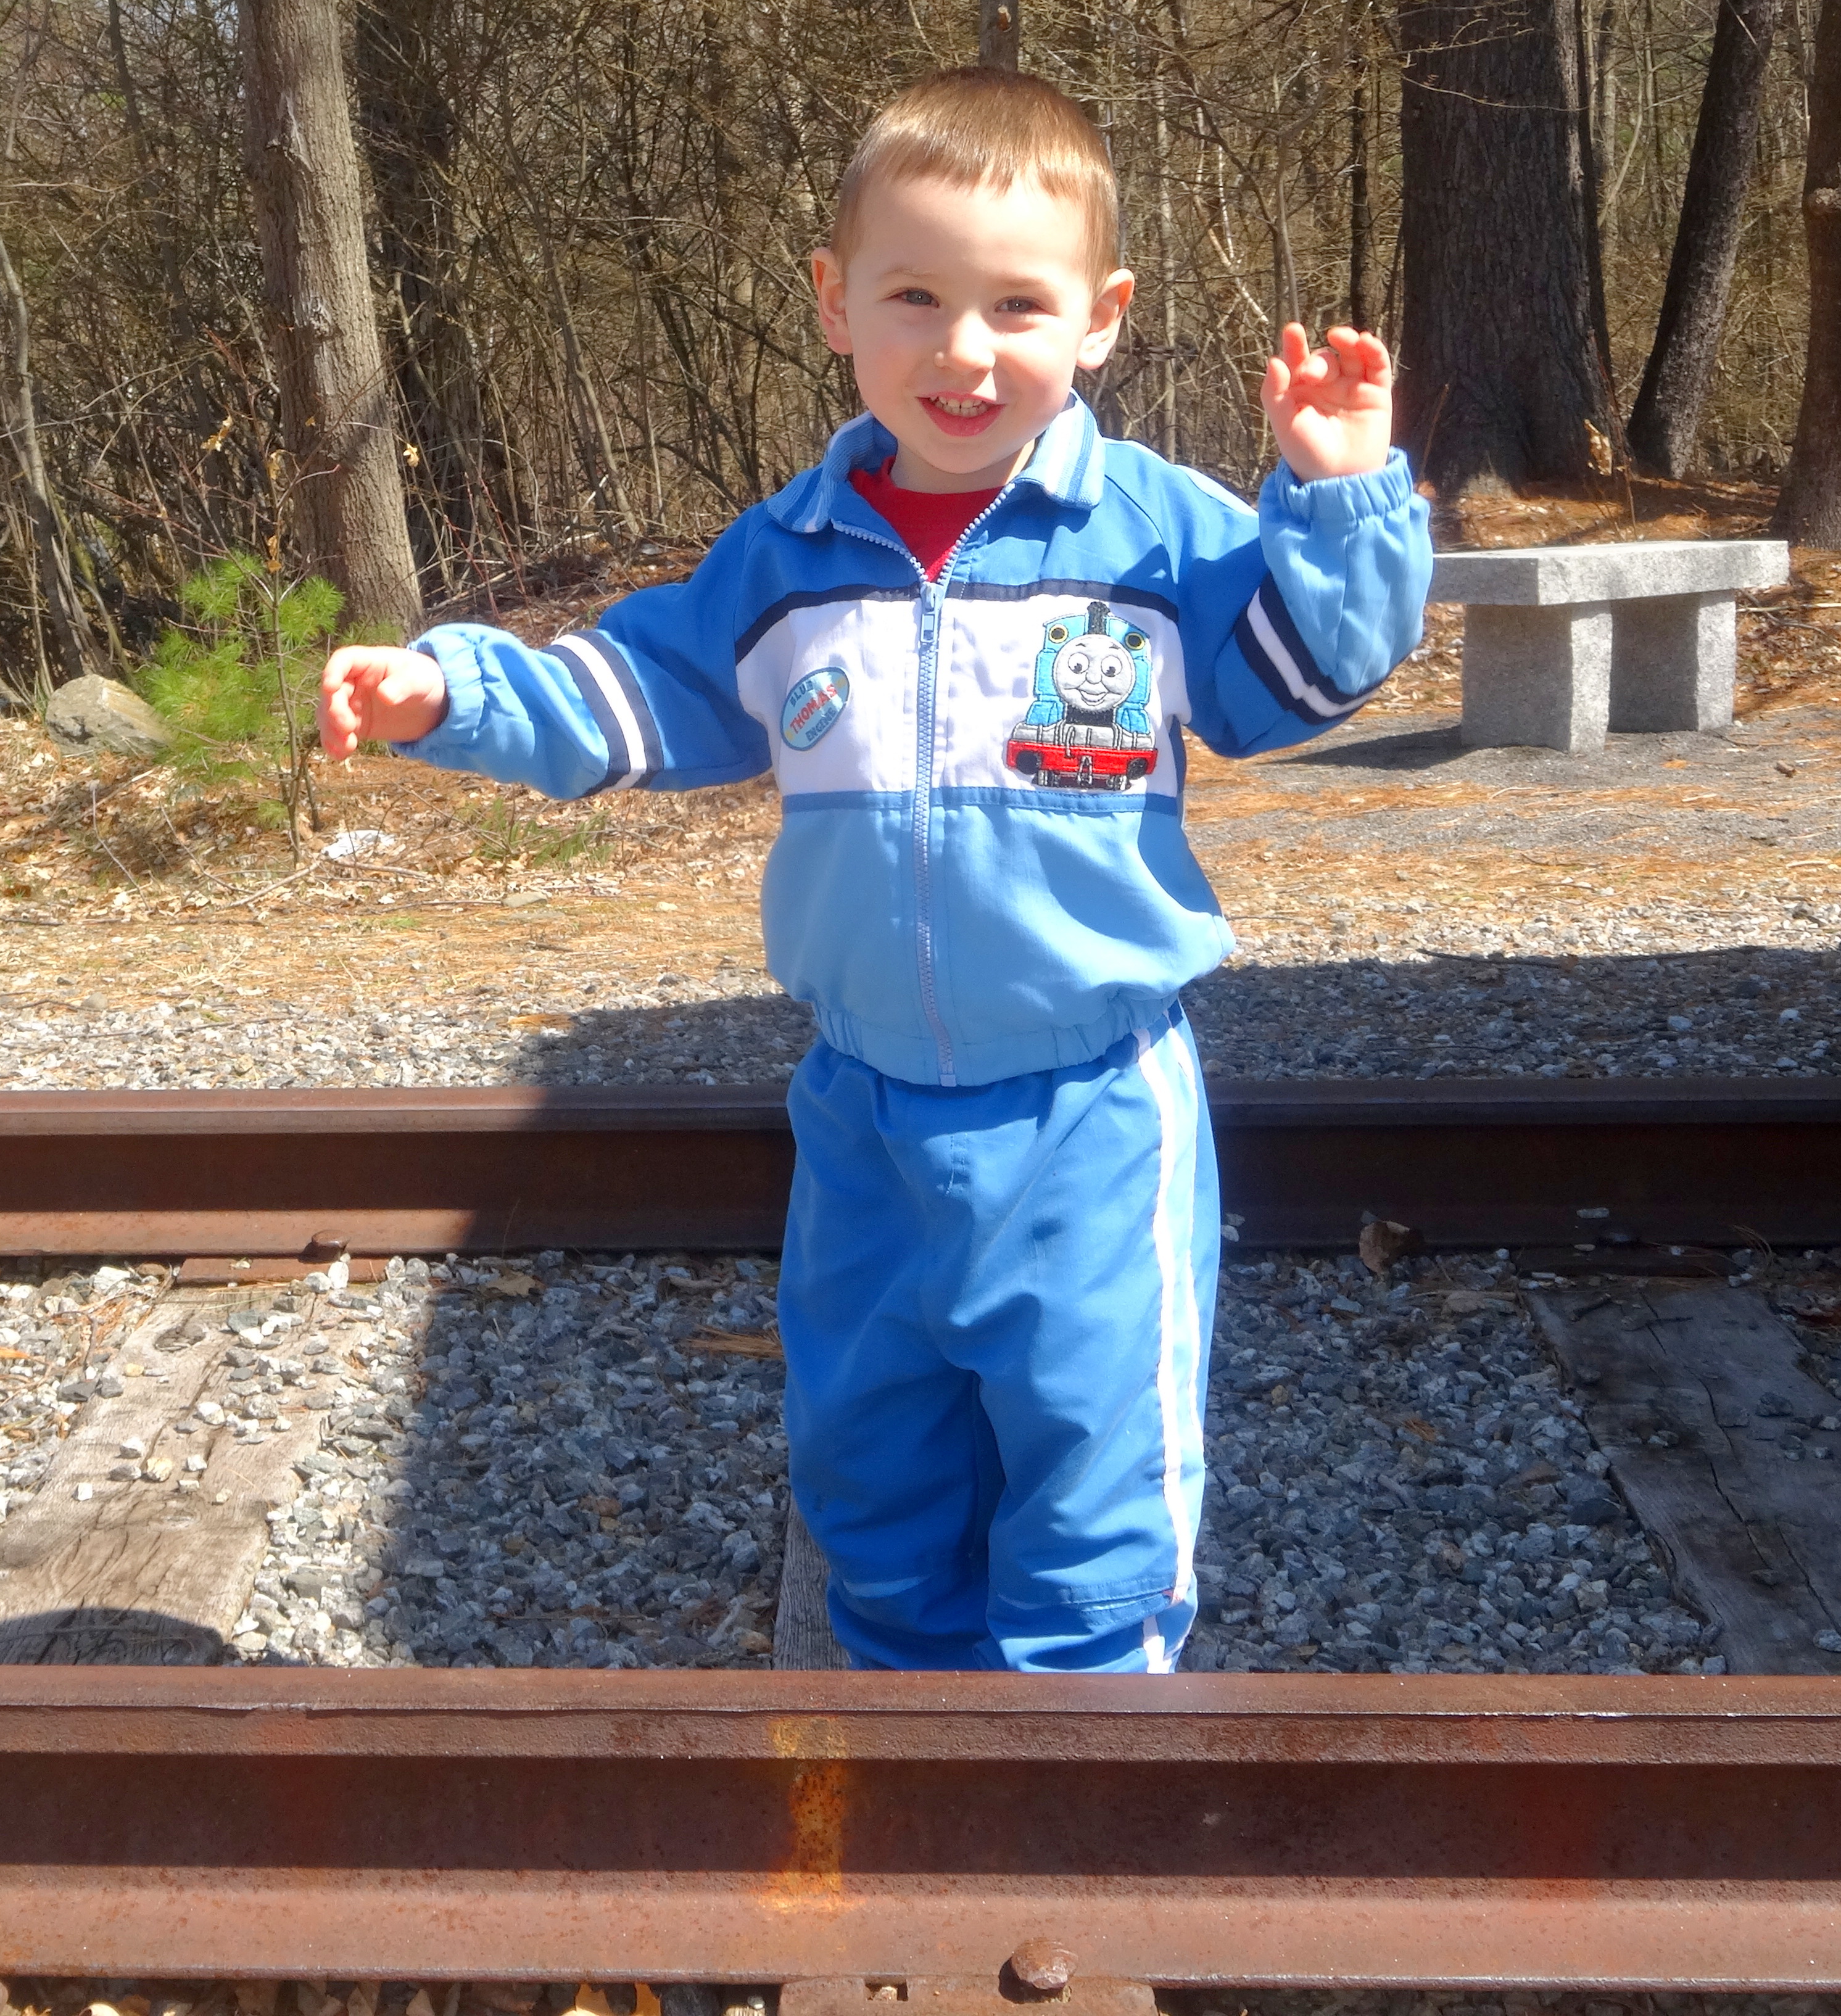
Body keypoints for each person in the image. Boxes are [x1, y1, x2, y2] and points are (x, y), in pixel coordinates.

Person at [317, 67, 1431, 1672]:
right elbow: (638, 692)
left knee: (1096, 1485)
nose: (964, 350)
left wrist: (1339, 495)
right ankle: (915, 1733)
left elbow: (1303, 679)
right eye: (916, 298)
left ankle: (1077, 1760)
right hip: (862, 1110)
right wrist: (452, 692)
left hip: (1092, 1107)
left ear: (1102, 321)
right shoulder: (789, 558)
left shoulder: (1149, 534)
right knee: (874, 1468)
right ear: (838, 304)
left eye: (1018, 305)